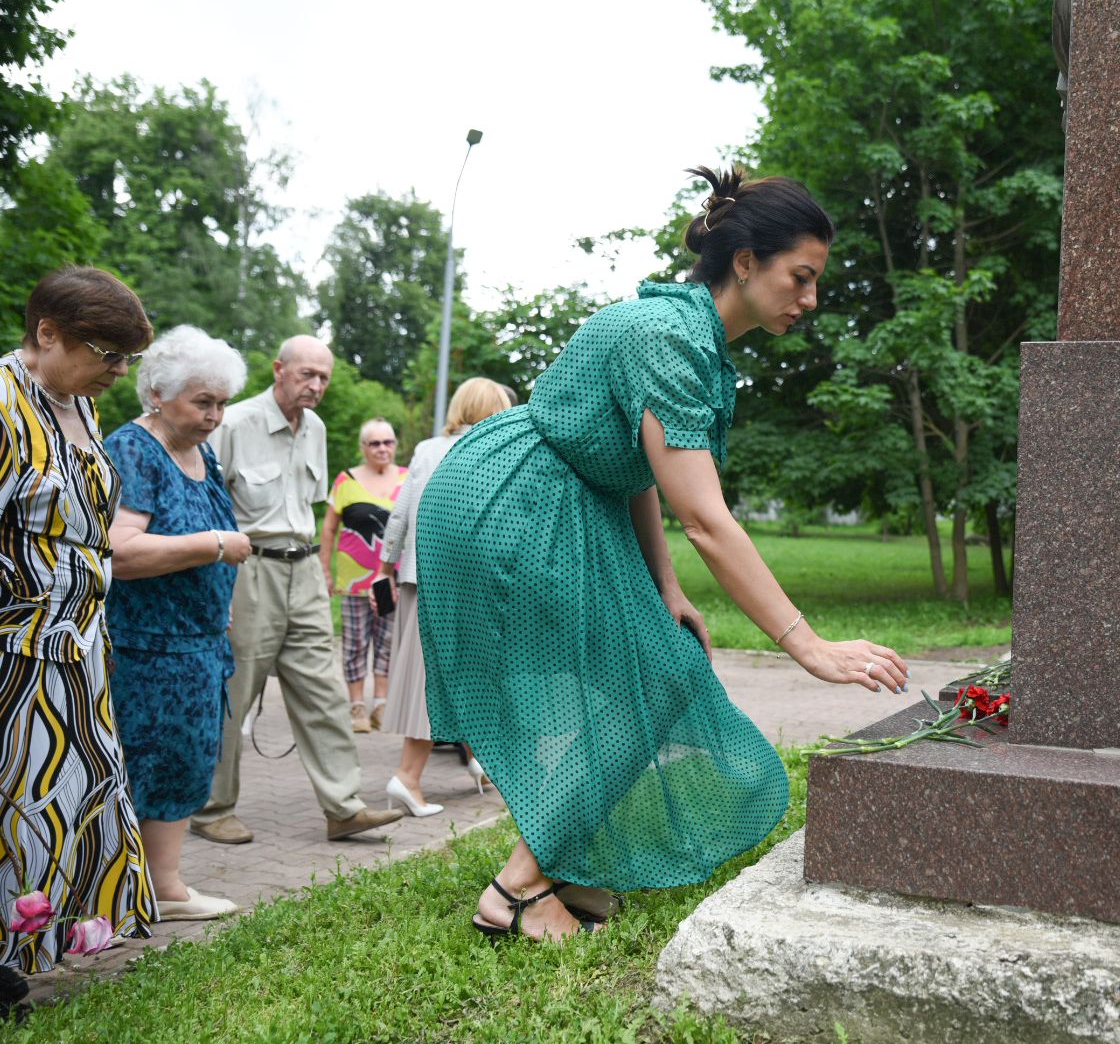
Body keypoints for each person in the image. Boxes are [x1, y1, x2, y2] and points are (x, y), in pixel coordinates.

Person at [414, 165, 909, 942]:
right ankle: (516, 890)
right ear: (744, 262)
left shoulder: (691, 336)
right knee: (660, 675)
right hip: (517, 499)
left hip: (566, 497)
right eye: (801, 277)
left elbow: (640, 469)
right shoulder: (669, 336)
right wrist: (808, 645)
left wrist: (666, 585)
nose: (811, 299)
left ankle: (559, 863)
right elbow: (706, 518)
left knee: (659, 667)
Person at [0, 266, 155, 974]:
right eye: (108, 353)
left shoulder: (77, 404)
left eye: (129, 358)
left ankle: (41, 942)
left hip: (79, 645)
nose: (120, 372)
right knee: (20, 805)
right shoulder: (4, 402)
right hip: (18, 651)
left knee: (70, 800)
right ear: (47, 333)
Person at [188, 335, 403, 845]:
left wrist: (319, 572)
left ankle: (344, 807)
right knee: (235, 691)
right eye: (307, 373)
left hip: (302, 569)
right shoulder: (235, 422)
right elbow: (204, 502)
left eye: (324, 377)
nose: (316, 385)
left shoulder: (317, 428)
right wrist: (214, 581)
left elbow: (309, 507)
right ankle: (211, 809)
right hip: (249, 569)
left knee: (324, 691)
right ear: (278, 369)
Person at [105, 324, 252, 921]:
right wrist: (215, 545)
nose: (215, 415)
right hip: (147, 649)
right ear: (158, 394)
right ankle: (131, 890)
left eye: (221, 403)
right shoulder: (134, 450)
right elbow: (119, 551)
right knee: (147, 764)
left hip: (195, 645)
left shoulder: (201, 451)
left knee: (185, 762)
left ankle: (161, 886)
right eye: (203, 402)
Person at [376, 379, 509, 817]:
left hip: (419, 576)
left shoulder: (428, 449)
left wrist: (385, 567)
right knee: (440, 679)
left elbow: (400, 514)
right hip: (464, 584)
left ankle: (480, 762)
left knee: (458, 673)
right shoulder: (495, 451)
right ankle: (408, 778)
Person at [318, 417, 406, 733]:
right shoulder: (346, 480)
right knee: (355, 641)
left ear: (395, 445)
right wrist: (325, 570)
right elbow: (329, 529)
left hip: (389, 579)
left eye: (388, 442)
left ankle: (381, 703)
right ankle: (357, 705)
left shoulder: (407, 478)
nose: (382, 448)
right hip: (355, 581)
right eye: (375, 443)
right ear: (363, 447)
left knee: (386, 640)